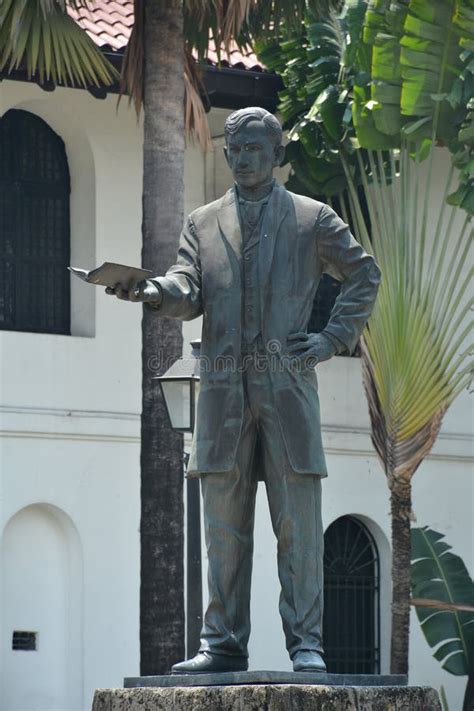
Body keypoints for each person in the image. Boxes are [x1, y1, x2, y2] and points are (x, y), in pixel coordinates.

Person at [107, 107, 380, 674]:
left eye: (256, 147)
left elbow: (363, 273)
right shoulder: (201, 223)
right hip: (224, 391)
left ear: (277, 152)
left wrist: (332, 338)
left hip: (287, 386)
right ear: (227, 153)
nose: (245, 157)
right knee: (223, 528)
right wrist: (152, 290)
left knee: (298, 525)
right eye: (236, 148)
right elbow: (188, 288)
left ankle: (307, 642)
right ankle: (221, 641)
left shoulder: (312, 218)